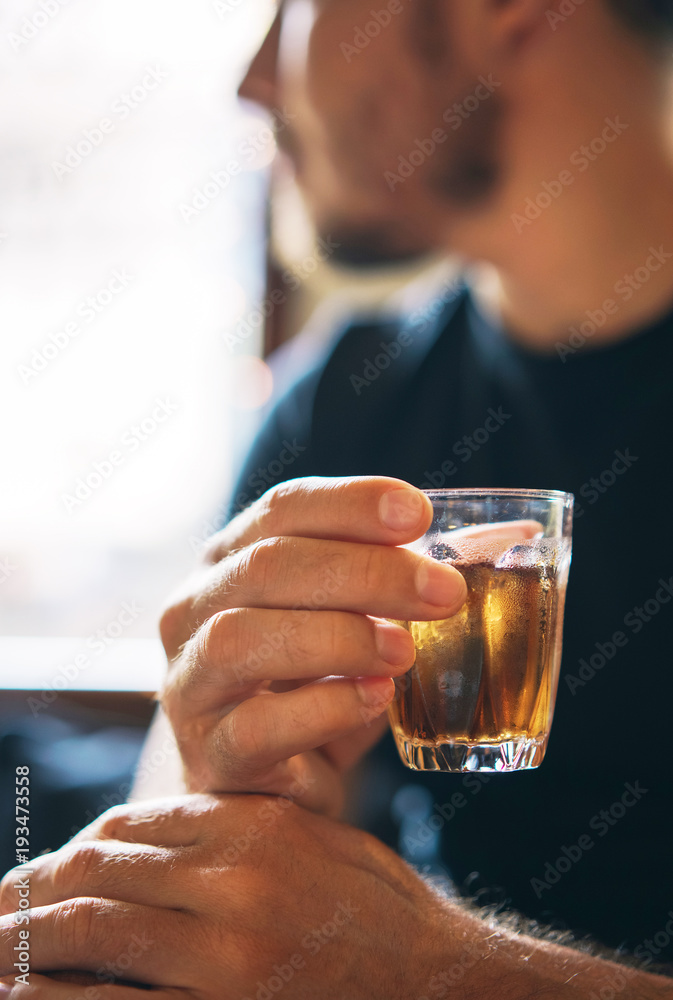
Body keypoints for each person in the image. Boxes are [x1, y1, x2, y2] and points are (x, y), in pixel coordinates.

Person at [2, 0, 673, 995]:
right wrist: (223, 780)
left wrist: (438, 973)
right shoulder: (341, 407)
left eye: (297, 5)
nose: (254, 77)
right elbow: (171, 893)